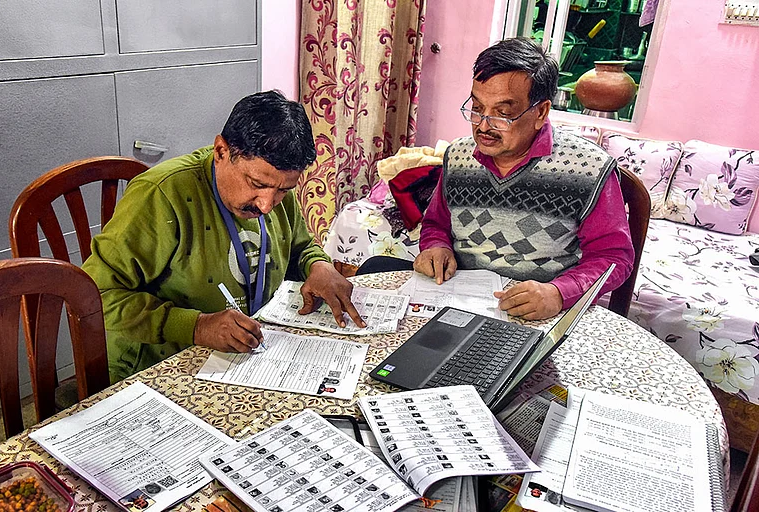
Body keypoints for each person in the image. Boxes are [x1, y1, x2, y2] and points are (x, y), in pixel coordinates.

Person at [83, 90, 365, 383]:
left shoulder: (272, 188)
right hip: (161, 366)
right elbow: (96, 296)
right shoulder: (162, 195)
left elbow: (300, 245)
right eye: (257, 183)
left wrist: (318, 265)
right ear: (221, 152)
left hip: (246, 355)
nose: (266, 205)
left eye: (283, 191)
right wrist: (196, 326)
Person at [413, 37, 634, 320]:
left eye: (503, 114)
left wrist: (559, 292)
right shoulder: (458, 156)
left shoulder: (588, 168)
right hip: (458, 302)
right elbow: (436, 224)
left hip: (539, 314)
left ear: (540, 112)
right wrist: (436, 246)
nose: (483, 126)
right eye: (477, 108)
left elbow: (614, 257)